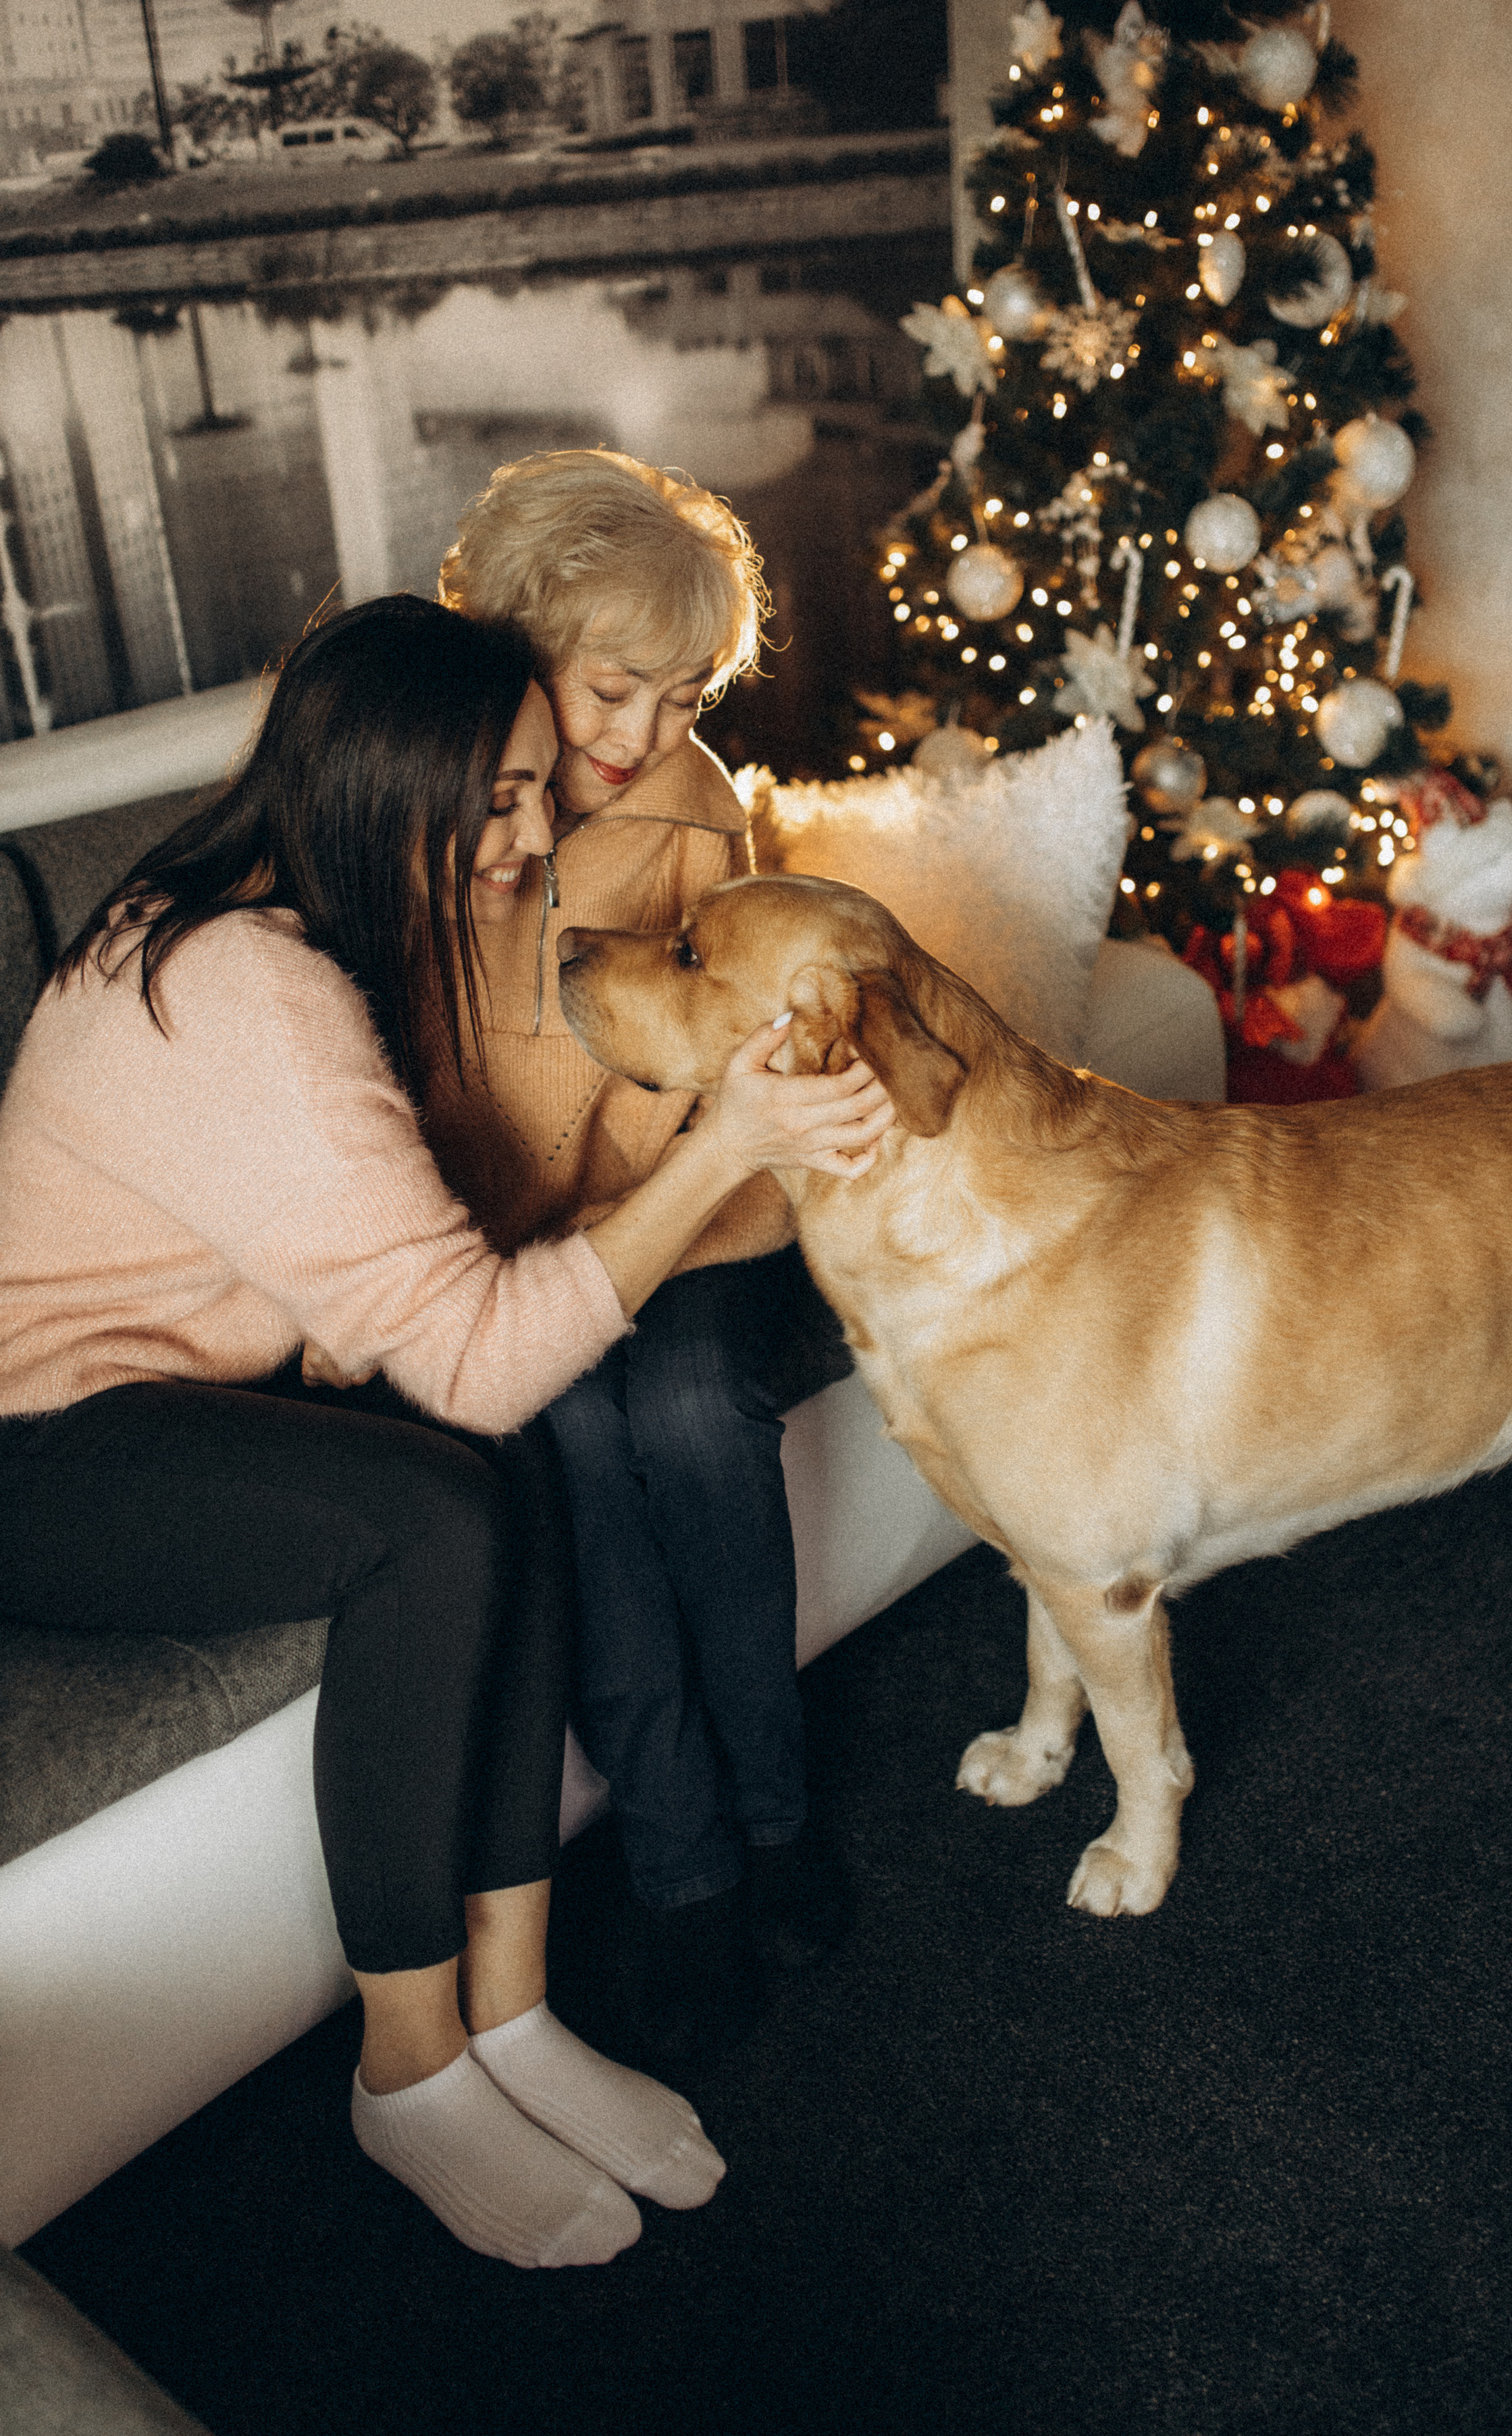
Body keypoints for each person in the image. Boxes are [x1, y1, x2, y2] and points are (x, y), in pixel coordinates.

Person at [0, 596, 890, 2268]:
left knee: (509, 1464)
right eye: (496, 798)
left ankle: (512, 2017)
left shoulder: (295, 927)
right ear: (379, 782)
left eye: (540, 788)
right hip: (44, 1444)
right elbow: (473, 1356)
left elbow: (372, 1288)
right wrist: (725, 1147)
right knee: (445, 1507)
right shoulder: (238, 986)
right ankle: (407, 2076)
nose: (533, 835)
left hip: (189, 1388)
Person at [432, 448, 852, 2059]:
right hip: (498, 1243)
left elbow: (741, 1040)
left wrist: (693, 1194)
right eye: (612, 691)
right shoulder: (426, 783)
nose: (638, 741)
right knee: (579, 1446)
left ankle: (776, 1809)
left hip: (688, 1211)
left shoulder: (695, 808)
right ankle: (679, 1870)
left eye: (680, 701)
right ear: (515, 641)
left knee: (682, 1415)